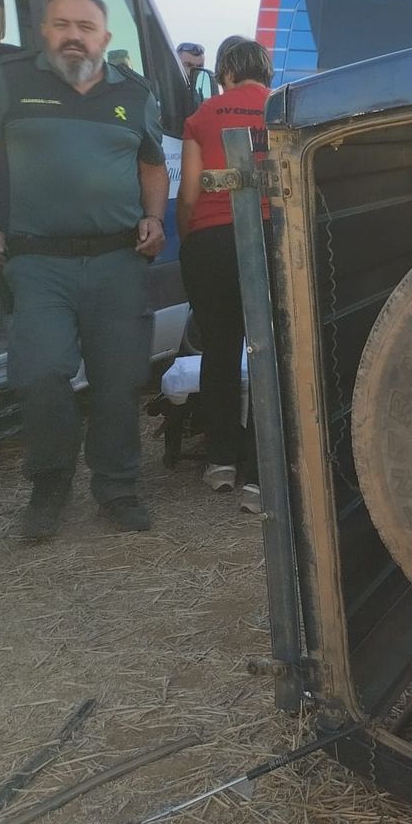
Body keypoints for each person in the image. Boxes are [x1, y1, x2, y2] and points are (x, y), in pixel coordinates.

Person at [0, 0, 168, 538]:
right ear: (43, 30)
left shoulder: (136, 93)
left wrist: (155, 218)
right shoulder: (8, 80)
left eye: (85, 26)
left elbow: (152, 164)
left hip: (118, 260)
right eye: (61, 24)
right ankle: (50, 485)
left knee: (119, 380)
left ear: (105, 37)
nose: (73, 35)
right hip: (37, 260)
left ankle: (117, 488)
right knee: (44, 372)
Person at [177, 39, 273, 514]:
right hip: (271, 240)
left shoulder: (203, 116)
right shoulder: (282, 109)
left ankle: (220, 462)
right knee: (268, 352)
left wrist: (188, 237)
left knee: (219, 347)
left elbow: (190, 192)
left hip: (212, 241)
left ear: (226, 71)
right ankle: (261, 473)